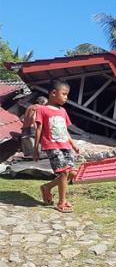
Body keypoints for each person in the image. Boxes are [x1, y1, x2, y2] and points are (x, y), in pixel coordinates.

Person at [33, 80, 79, 213]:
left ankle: (47, 187)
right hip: (52, 145)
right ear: (53, 93)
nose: (66, 97)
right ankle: (62, 202)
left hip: (65, 145)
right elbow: (39, 129)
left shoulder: (63, 111)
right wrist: (36, 148)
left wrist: (73, 144)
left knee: (72, 173)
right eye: (64, 94)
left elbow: (65, 130)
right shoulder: (42, 109)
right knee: (64, 171)